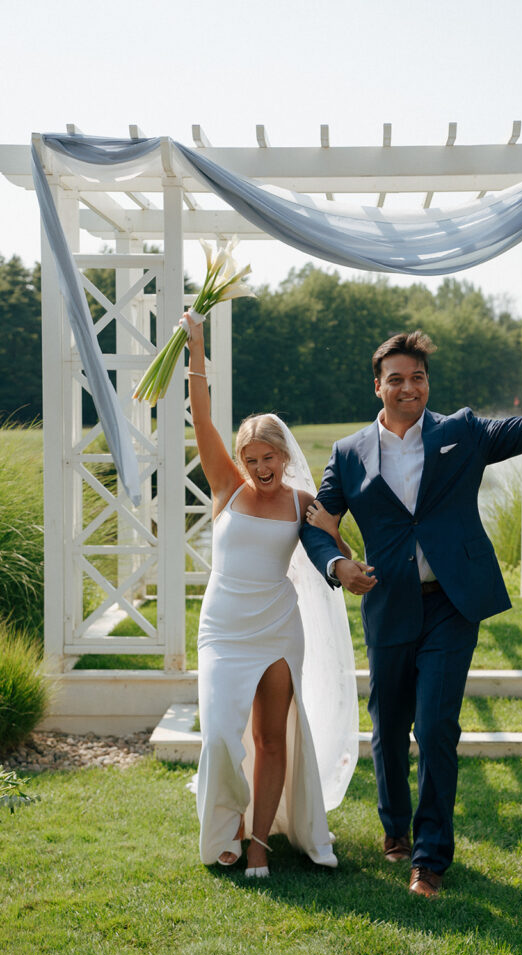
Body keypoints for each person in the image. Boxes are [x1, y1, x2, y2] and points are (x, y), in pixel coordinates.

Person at [300, 314, 522, 898]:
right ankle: (395, 829)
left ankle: (429, 858)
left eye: (418, 378)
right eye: (396, 378)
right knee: (388, 727)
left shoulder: (462, 432)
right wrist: (336, 564)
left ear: (427, 383)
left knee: (437, 724)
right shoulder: (347, 453)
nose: (408, 388)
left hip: (452, 603)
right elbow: (318, 523)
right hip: (388, 604)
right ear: (378, 386)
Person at [183, 314, 357, 877]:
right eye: (251, 459)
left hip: (280, 625)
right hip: (224, 628)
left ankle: (259, 840)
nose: (260, 469)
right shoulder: (226, 487)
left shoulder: (302, 499)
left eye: (269, 458)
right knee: (218, 734)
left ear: (284, 455)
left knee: (272, 735)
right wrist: (197, 346)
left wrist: (354, 566)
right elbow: (202, 416)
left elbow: (334, 545)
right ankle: (227, 822)